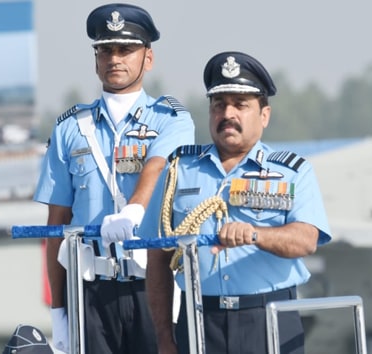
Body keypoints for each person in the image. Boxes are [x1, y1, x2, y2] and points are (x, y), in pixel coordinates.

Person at [139, 51, 331, 354]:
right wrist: (164, 337)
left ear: (264, 115)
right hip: (199, 319)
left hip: (269, 317)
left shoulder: (292, 172)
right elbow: (158, 256)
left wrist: (255, 234)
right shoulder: (179, 170)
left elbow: (307, 240)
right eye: (219, 105)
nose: (228, 114)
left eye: (240, 105)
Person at [33, 3, 195, 354]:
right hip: (90, 292)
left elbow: (156, 163)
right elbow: (56, 225)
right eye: (105, 49)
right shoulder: (70, 128)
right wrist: (58, 309)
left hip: (154, 285)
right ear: (96, 59)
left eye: (126, 49)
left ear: (148, 59)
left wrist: (135, 210)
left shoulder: (172, 119)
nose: (114, 59)